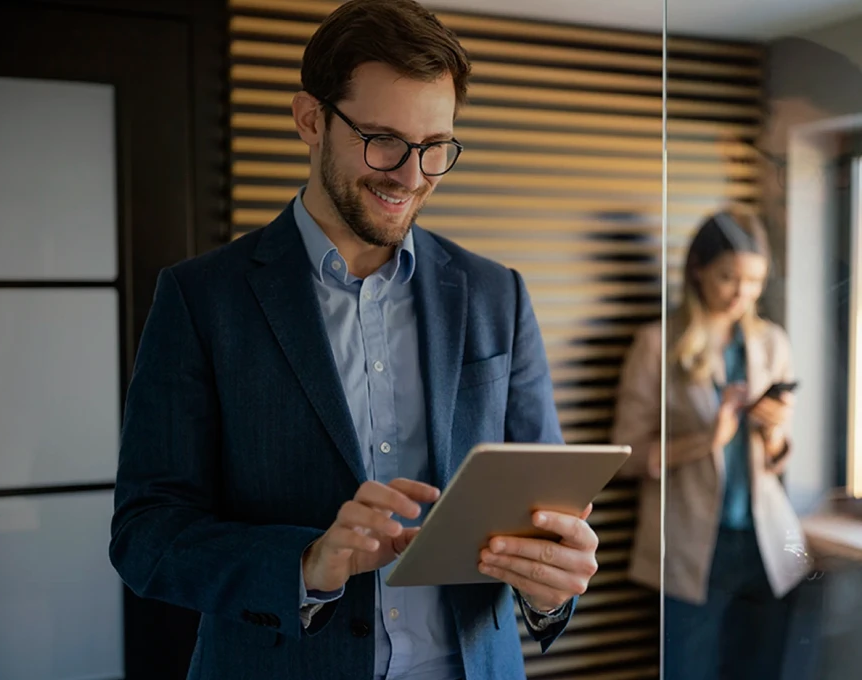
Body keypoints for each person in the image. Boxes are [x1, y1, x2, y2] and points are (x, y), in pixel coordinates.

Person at [109, 1, 599, 678]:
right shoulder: (201, 300)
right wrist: (309, 563)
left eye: (435, 147)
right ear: (310, 119)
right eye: (385, 141)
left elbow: (540, 511)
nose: (412, 175)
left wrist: (549, 587)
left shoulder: (497, 296)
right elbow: (146, 537)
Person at [612, 209, 813, 679]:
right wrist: (709, 440)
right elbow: (625, 455)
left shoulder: (771, 343)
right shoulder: (656, 344)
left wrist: (776, 431)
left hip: (766, 547)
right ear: (698, 268)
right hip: (690, 548)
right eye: (729, 277)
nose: (743, 294)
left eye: (755, 281)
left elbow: (779, 461)